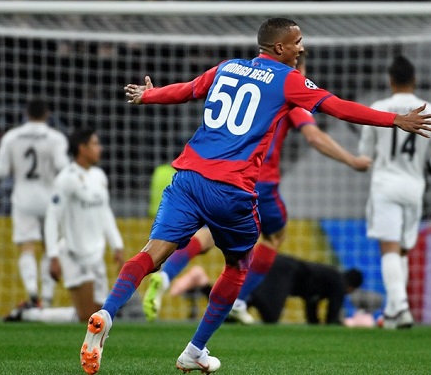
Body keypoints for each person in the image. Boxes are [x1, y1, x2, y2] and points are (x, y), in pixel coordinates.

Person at [80, 17, 431, 375]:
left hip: (188, 177)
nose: (302, 47)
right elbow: (337, 106)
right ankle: (194, 349)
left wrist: (149, 95)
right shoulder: (287, 81)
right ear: (279, 47)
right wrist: (394, 120)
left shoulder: (228, 66)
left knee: (151, 253)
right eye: (297, 41)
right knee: (238, 266)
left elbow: (188, 90)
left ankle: (107, 312)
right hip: (231, 189)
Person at [142, 54, 373, 324]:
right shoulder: (289, 90)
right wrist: (352, 160)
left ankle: (166, 273)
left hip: (218, 174)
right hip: (257, 181)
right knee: (275, 235)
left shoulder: (246, 79)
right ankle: (239, 300)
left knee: (208, 235)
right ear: (297, 68)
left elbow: (193, 90)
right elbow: (314, 136)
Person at [358, 55, 431, 330]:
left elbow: (365, 155)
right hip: (414, 186)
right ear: (415, 80)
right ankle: (391, 314)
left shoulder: (379, 108)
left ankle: (401, 307)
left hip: (385, 184)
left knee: (389, 247)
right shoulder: (429, 108)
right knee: (402, 250)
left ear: (390, 80)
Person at [4, 129, 125, 323]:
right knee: (88, 317)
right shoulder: (66, 179)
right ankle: (29, 314)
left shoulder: (99, 176)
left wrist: (116, 245)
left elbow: (105, 213)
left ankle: (29, 313)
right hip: (73, 254)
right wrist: (53, 255)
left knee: (97, 316)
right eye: (95, 144)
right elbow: (52, 218)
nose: (99, 148)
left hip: (96, 254)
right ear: (82, 149)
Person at [0, 99, 70, 309]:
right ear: (47, 114)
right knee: (50, 247)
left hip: (23, 198)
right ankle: (46, 297)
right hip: (49, 199)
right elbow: (63, 166)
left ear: (26, 113)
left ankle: (32, 292)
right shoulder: (55, 138)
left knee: (27, 247)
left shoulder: (11, 136)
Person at [167, 255, 363, 325]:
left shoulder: (328, 281)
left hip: (280, 268)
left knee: (232, 315)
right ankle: (204, 281)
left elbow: (312, 308)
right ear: (351, 287)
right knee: (270, 316)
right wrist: (344, 324)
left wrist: (314, 323)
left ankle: (202, 282)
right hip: (284, 270)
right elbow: (331, 318)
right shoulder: (338, 282)